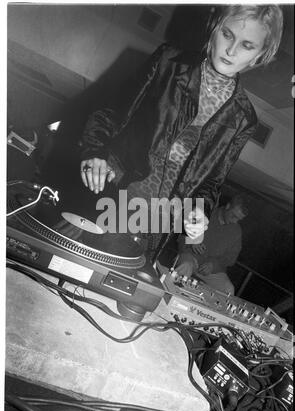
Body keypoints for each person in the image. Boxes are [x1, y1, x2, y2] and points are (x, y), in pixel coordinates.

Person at [77, 5, 283, 261]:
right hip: (120, 187)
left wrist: (199, 212)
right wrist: (95, 150)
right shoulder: (168, 61)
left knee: (127, 290)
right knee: (90, 262)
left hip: (160, 218)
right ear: (215, 28)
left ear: (259, 55)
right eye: (228, 35)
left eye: (247, 45)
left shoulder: (244, 118)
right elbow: (111, 113)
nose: (231, 50)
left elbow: (211, 182)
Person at [175, 195, 248, 295]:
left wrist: (213, 265)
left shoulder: (237, 231)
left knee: (228, 289)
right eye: (234, 216)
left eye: (238, 219)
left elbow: (231, 258)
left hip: (213, 270)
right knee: (185, 266)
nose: (235, 221)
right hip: (191, 257)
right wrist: (192, 241)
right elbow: (181, 234)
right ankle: (171, 296)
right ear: (227, 206)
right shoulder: (205, 212)